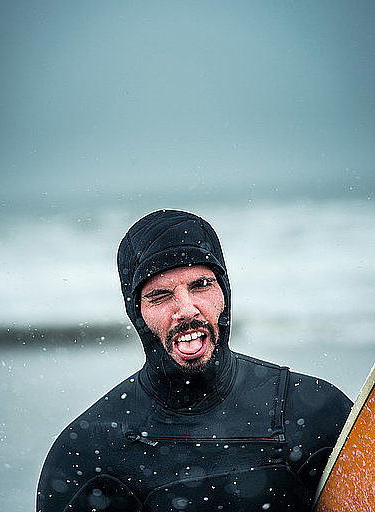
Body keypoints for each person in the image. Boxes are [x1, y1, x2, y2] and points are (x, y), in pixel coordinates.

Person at [37, 209, 352, 512]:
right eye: (160, 295)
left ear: (224, 292)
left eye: (201, 285)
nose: (186, 309)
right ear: (137, 313)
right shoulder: (91, 451)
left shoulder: (312, 412)